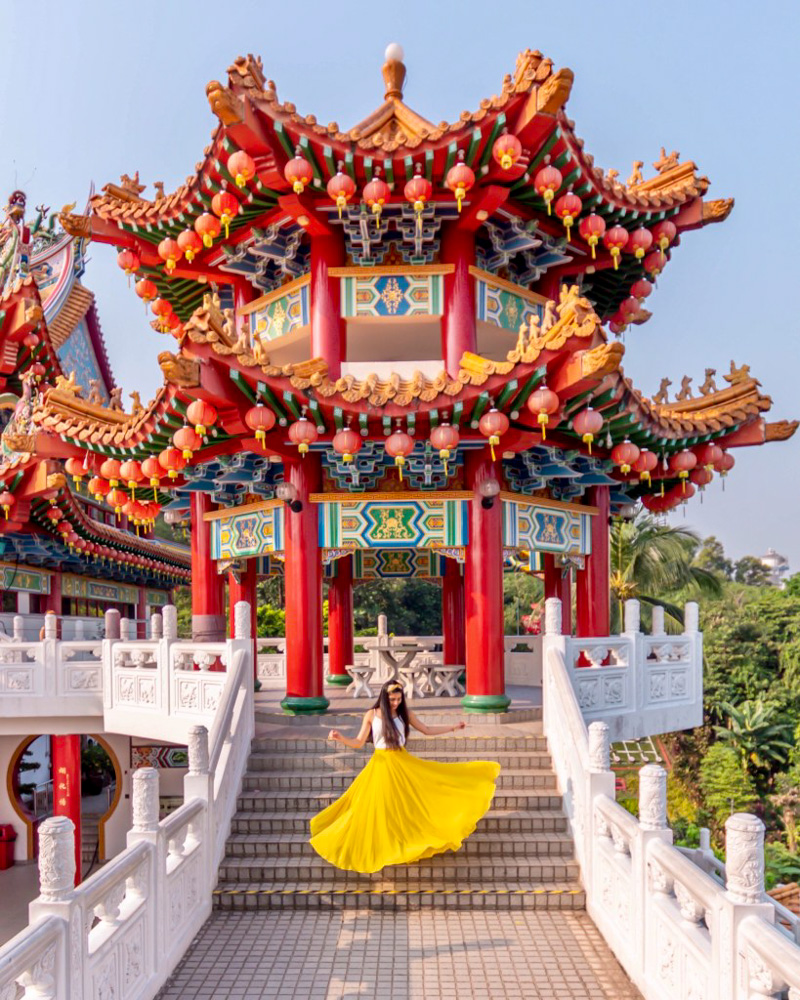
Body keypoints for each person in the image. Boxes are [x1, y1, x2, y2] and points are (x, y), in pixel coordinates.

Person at [309, 680, 501, 874]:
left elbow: (426, 730)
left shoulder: (404, 714)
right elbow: (359, 742)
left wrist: (453, 728)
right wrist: (340, 738)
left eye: (399, 699)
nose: (396, 703)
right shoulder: (372, 715)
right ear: (384, 697)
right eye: (392, 699)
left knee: (408, 803)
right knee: (374, 808)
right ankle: (382, 844)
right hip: (380, 765)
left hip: (402, 762)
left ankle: (406, 842)